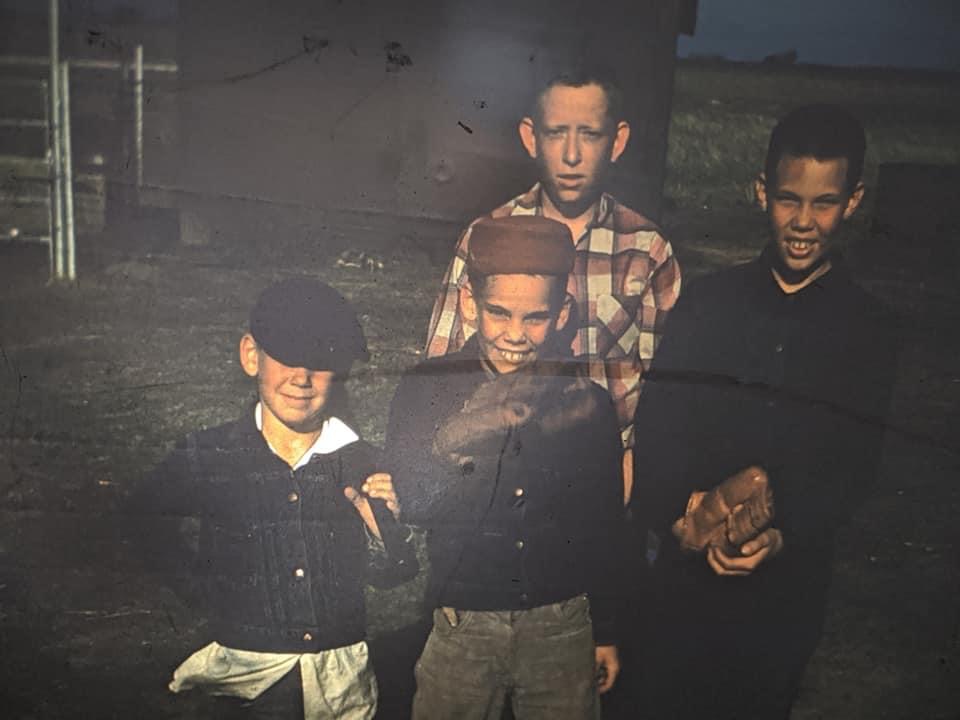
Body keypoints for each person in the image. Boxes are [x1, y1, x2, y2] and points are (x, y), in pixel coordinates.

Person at [629, 104, 901, 719]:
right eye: (787, 200)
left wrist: (782, 532)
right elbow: (659, 427)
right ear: (761, 193)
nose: (803, 222)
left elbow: (854, 467)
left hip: (784, 600)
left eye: (824, 204)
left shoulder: (870, 330)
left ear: (853, 201)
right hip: (681, 589)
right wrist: (683, 513)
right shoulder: (707, 303)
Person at [130, 278, 417, 719]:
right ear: (251, 356)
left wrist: (383, 536)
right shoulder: (212, 453)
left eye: (320, 362)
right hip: (243, 677)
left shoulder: (361, 462)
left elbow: (395, 574)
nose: (301, 378)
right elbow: (143, 516)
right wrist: (203, 590)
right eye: (287, 356)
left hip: (338, 681)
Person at [387, 216, 626, 719]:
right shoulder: (425, 389)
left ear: (562, 313)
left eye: (535, 318)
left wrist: (606, 630)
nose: (515, 335)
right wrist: (458, 438)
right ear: (469, 303)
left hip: (561, 623)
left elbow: (605, 527)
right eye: (498, 313)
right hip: (462, 621)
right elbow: (413, 500)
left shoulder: (586, 402)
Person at [424, 67, 682, 504]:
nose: (572, 155)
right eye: (557, 133)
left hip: (607, 477)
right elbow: (440, 372)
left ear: (618, 141)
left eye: (590, 135)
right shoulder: (487, 236)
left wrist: (631, 477)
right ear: (531, 137)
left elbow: (666, 393)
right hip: (496, 473)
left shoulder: (647, 250)